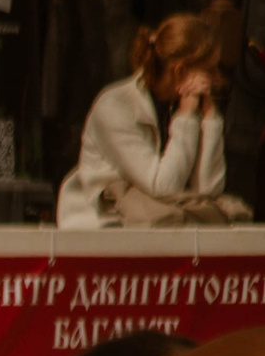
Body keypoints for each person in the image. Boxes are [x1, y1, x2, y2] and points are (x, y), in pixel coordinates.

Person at [57, 12, 241, 227]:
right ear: (180, 71)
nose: (216, 78)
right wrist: (186, 118)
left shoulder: (185, 104)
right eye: (209, 70)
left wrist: (210, 119)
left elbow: (207, 190)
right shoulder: (115, 106)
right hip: (105, 229)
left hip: (159, 226)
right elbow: (163, 187)